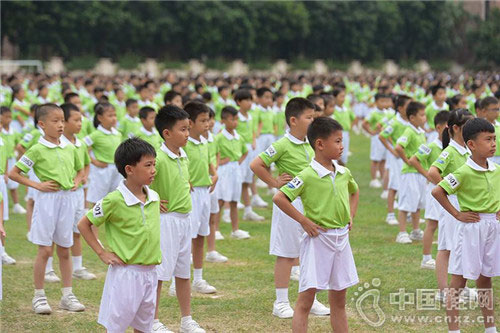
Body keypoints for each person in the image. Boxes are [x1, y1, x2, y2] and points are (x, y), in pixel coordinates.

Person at [273, 116, 359, 333]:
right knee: (305, 301)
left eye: (342, 141)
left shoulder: (343, 172)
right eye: (337, 141)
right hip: (319, 241)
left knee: (339, 301)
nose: (342, 146)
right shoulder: (307, 175)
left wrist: (351, 215)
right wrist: (303, 221)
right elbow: (280, 198)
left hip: (342, 240)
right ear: (319, 144)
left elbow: (354, 191)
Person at [251, 97, 329, 318]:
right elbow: (256, 164)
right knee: (286, 253)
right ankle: (281, 302)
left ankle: (310, 300)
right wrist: (274, 182)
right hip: (289, 203)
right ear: (293, 120)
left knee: (310, 252)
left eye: (314, 117)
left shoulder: (312, 142)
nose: (313, 121)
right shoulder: (282, 145)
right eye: (309, 117)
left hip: (311, 203)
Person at [78, 137, 161, 333]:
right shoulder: (114, 200)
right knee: (117, 327)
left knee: (144, 326)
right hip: (126, 275)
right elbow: (84, 224)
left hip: (150, 273)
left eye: (154, 164)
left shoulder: (154, 197)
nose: (153, 170)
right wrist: (102, 252)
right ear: (129, 169)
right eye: (148, 165)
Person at [9, 103, 86, 314]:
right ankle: (39, 296)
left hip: (67, 200)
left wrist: (78, 181)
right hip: (47, 202)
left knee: (64, 249)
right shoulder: (36, 149)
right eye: (55, 121)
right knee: (44, 250)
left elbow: (80, 170)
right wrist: (38, 185)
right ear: (42, 124)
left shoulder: (70, 147)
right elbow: (14, 173)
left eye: (62, 120)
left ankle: (67, 295)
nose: (61, 125)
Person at [432, 117, 500, 333]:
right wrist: (457, 214)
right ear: (471, 144)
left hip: (492, 228)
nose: (493, 144)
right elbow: (438, 191)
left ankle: (490, 327)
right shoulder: (463, 171)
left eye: (494, 139)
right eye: (488, 139)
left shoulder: (496, 169)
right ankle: (454, 330)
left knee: (485, 278)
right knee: (458, 282)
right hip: (471, 229)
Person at [150, 105, 205, 333]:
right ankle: (152, 321)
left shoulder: (183, 155)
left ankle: (186, 320)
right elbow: (141, 185)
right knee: (160, 274)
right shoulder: (158, 158)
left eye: (188, 128)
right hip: (166, 221)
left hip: (185, 219)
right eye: (183, 129)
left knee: (183, 273)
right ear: (167, 133)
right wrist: (153, 199)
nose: (187, 134)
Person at [428, 109, 474, 301]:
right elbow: (432, 172)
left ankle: (460, 287)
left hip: (465, 204)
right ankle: (443, 290)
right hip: (451, 204)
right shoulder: (450, 151)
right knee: (446, 247)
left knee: (463, 246)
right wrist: (447, 189)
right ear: (455, 128)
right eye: (468, 127)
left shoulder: (467, 150)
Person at [183, 101, 218, 294]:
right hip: (191, 194)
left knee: (200, 236)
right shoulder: (184, 144)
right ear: (190, 122)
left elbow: (209, 161)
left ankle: (198, 278)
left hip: (205, 192)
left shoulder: (205, 141)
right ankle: (177, 280)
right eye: (203, 121)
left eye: (209, 120)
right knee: (187, 237)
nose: (207, 124)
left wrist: (214, 173)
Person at [409, 111, 450, 269]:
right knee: (432, 224)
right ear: (438, 128)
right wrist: (428, 174)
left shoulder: (450, 147)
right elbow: (414, 160)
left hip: (446, 190)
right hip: (435, 190)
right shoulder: (431, 145)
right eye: (446, 128)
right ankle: (426, 258)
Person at [394, 101, 427, 244]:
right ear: (412, 117)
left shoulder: (421, 132)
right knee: (406, 203)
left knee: (417, 203)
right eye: (422, 115)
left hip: (419, 172)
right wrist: (407, 160)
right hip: (410, 173)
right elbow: (399, 147)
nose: (425, 118)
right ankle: (401, 232)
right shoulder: (409, 131)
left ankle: (415, 230)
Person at [214, 106, 250, 239]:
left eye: (236, 119)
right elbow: (213, 153)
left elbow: (245, 152)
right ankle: (216, 230)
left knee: (235, 200)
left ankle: (235, 230)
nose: (235, 122)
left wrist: (237, 162)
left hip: (235, 170)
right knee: (221, 200)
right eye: (231, 119)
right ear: (223, 120)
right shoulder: (218, 137)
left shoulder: (238, 137)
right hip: (224, 171)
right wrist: (221, 162)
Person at [378, 95, 411, 225]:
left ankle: (408, 212)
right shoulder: (395, 122)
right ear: (401, 108)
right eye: (408, 106)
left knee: (407, 185)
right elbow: (382, 136)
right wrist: (392, 150)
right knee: (394, 185)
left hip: (407, 157)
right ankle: (390, 214)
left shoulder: (410, 122)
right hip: (397, 159)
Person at [83, 102, 123, 206]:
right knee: (98, 199)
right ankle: (94, 220)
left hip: (116, 168)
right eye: (110, 116)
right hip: (102, 170)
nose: (113, 118)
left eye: (114, 115)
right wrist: (94, 162)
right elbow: (82, 148)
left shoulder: (118, 134)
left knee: (115, 196)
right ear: (100, 118)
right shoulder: (96, 135)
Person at [362, 93, 392, 188]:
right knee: (375, 159)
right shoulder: (373, 112)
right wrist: (371, 132)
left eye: (386, 101)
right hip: (377, 138)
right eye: (382, 101)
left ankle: (383, 178)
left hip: (385, 138)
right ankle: (374, 179)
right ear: (376, 102)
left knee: (383, 159)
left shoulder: (387, 112)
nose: (384, 103)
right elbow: (364, 123)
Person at [476, 97, 500, 165]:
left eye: (498, 109)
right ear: (484, 111)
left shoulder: (499, 125)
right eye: (494, 110)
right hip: (488, 158)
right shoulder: (480, 126)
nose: (497, 112)